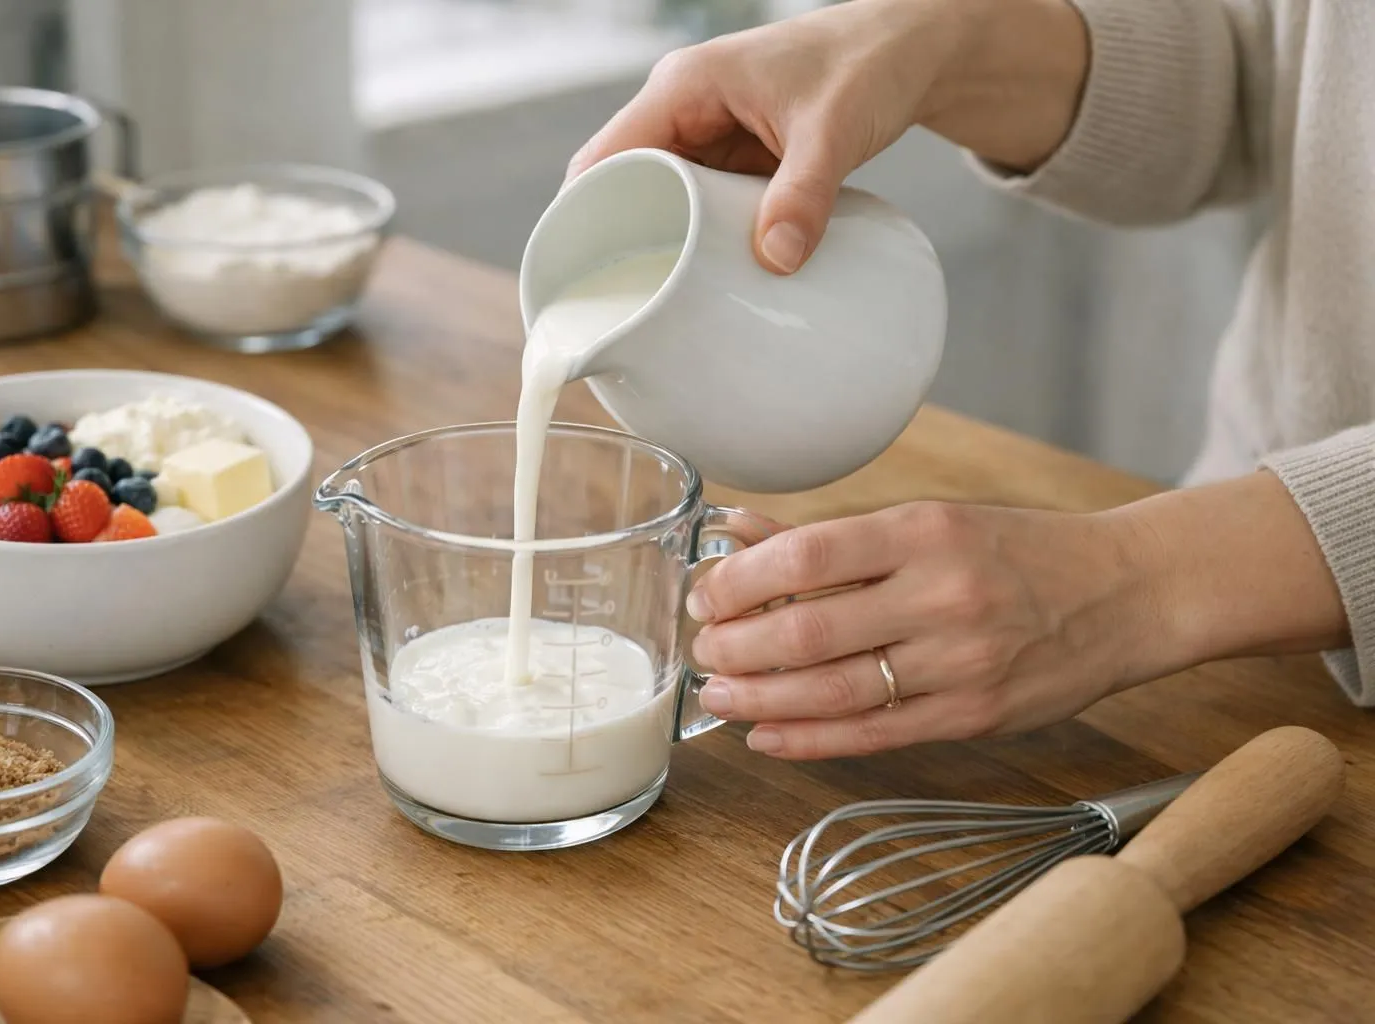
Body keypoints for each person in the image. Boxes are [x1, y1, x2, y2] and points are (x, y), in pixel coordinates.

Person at [566, 0, 1375, 760]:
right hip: (1240, 625)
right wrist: (931, 39)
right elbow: (1277, 74)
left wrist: (1145, 577)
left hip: (1250, 580)